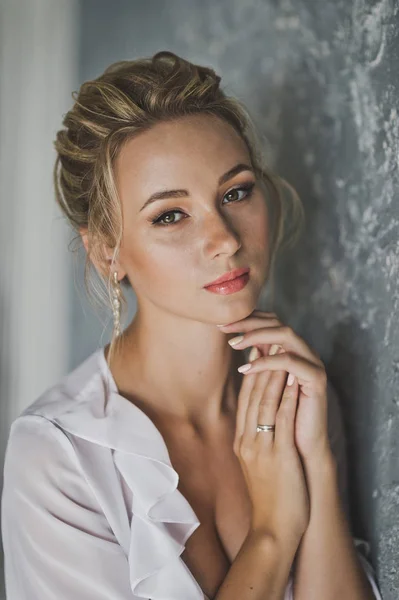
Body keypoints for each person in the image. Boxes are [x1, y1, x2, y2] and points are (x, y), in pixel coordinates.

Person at [1, 51, 382, 600]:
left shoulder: (294, 395)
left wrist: (316, 466)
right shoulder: (59, 459)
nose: (225, 238)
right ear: (109, 253)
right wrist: (273, 533)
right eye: (170, 215)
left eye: (236, 192)